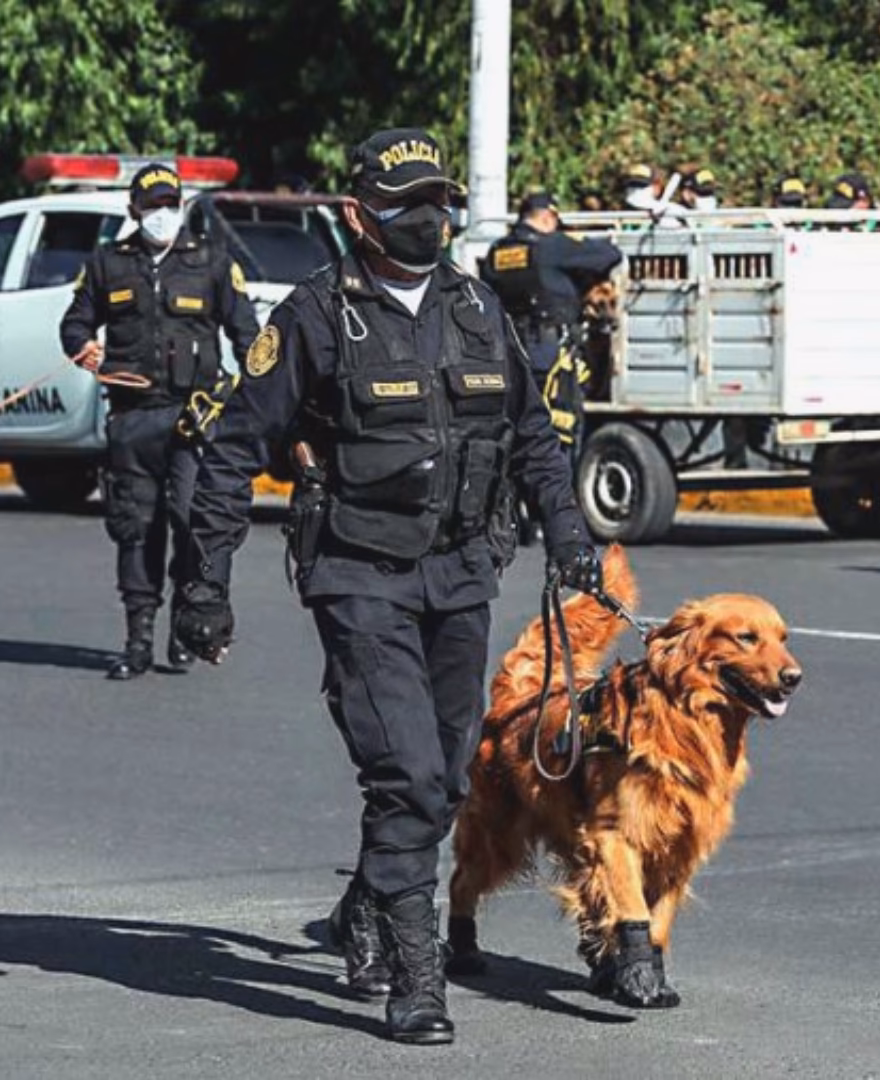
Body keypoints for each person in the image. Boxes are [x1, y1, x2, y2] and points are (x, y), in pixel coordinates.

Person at [172, 129, 600, 1044]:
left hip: (460, 571)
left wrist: (570, 535)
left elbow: (531, 435)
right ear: (359, 213)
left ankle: (364, 911)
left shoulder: (480, 307)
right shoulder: (317, 315)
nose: (428, 219)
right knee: (405, 773)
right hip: (358, 570)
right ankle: (417, 978)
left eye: (439, 202)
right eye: (407, 204)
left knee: (444, 778)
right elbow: (234, 449)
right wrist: (203, 583)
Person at [59, 163, 260, 681]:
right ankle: (138, 640)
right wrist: (81, 346)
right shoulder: (109, 264)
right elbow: (76, 319)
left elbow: (247, 334)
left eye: (170, 205)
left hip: (193, 420)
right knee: (135, 529)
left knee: (193, 521)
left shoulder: (212, 262)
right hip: (132, 420)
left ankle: (184, 629)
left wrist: (251, 401)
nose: (162, 216)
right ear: (134, 211)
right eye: (152, 207)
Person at [478, 191, 622, 455]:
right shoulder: (551, 246)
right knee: (559, 431)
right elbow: (609, 254)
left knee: (517, 429)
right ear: (547, 217)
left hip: (507, 354)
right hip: (550, 353)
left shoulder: (497, 252)